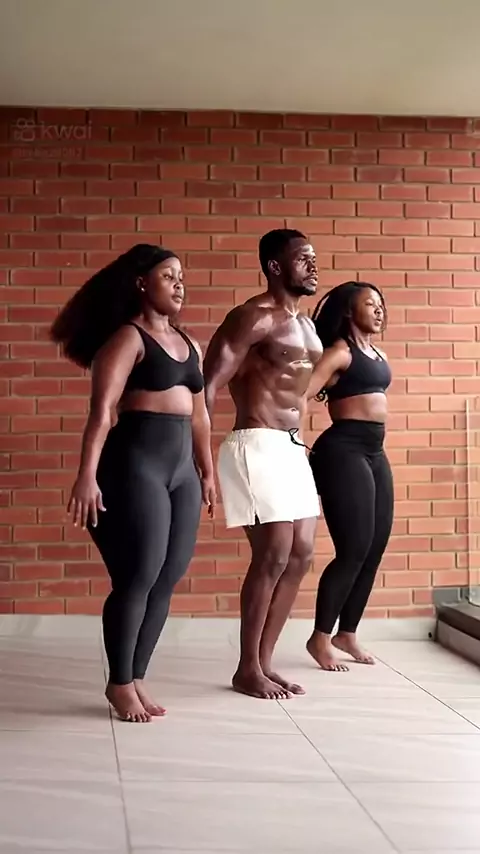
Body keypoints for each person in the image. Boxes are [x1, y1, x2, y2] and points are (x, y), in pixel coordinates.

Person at [50, 244, 215, 722]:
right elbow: (102, 412)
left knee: (168, 575)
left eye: (181, 276)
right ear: (142, 283)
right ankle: (119, 681)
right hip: (135, 465)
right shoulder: (128, 338)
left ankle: (137, 674)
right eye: (168, 276)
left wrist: (206, 470)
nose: (179, 284)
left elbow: (201, 416)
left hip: (182, 471)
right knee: (139, 574)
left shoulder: (190, 343)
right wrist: (86, 475)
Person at [203, 229, 322, 700]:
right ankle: (246, 668)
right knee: (273, 551)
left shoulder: (307, 327)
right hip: (254, 441)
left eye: (314, 258)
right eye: (303, 259)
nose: (313, 266)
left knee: (302, 554)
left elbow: (300, 395)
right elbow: (207, 385)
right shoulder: (252, 316)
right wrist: (198, 457)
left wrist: (304, 444)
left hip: (292, 447)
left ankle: (265, 663)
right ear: (275, 266)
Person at [304, 281, 393, 671]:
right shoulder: (339, 353)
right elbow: (300, 395)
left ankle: (347, 633)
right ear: (347, 312)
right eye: (369, 304)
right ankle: (320, 637)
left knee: (374, 547)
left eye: (380, 303)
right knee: (353, 548)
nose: (378, 309)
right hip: (343, 451)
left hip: (374, 452)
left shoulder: (377, 353)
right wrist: (294, 443)